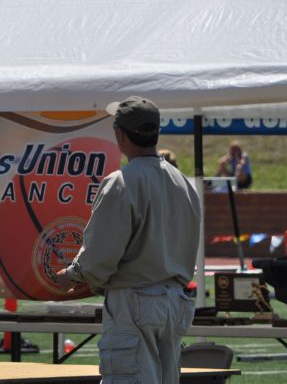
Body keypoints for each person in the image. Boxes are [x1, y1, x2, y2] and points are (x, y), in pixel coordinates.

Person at [56, 96, 200, 384]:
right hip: (175, 302)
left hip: (135, 302)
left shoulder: (120, 182)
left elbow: (101, 255)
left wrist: (72, 274)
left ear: (120, 135)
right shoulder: (183, 182)